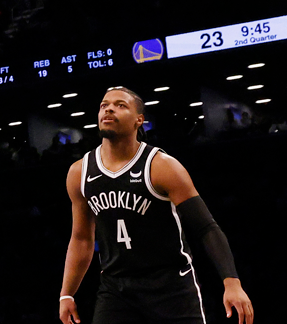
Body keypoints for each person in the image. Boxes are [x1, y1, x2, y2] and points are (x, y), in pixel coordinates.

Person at [58, 87, 254, 324]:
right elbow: (81, 239)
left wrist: (231, 282)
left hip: (171, 286)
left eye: (120, 105)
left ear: (138, 120)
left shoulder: (162, 167)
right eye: (103, 105)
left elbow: (206, 227)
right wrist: (66, 293)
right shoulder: (79, 172)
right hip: (116, 288)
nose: (108, 108)